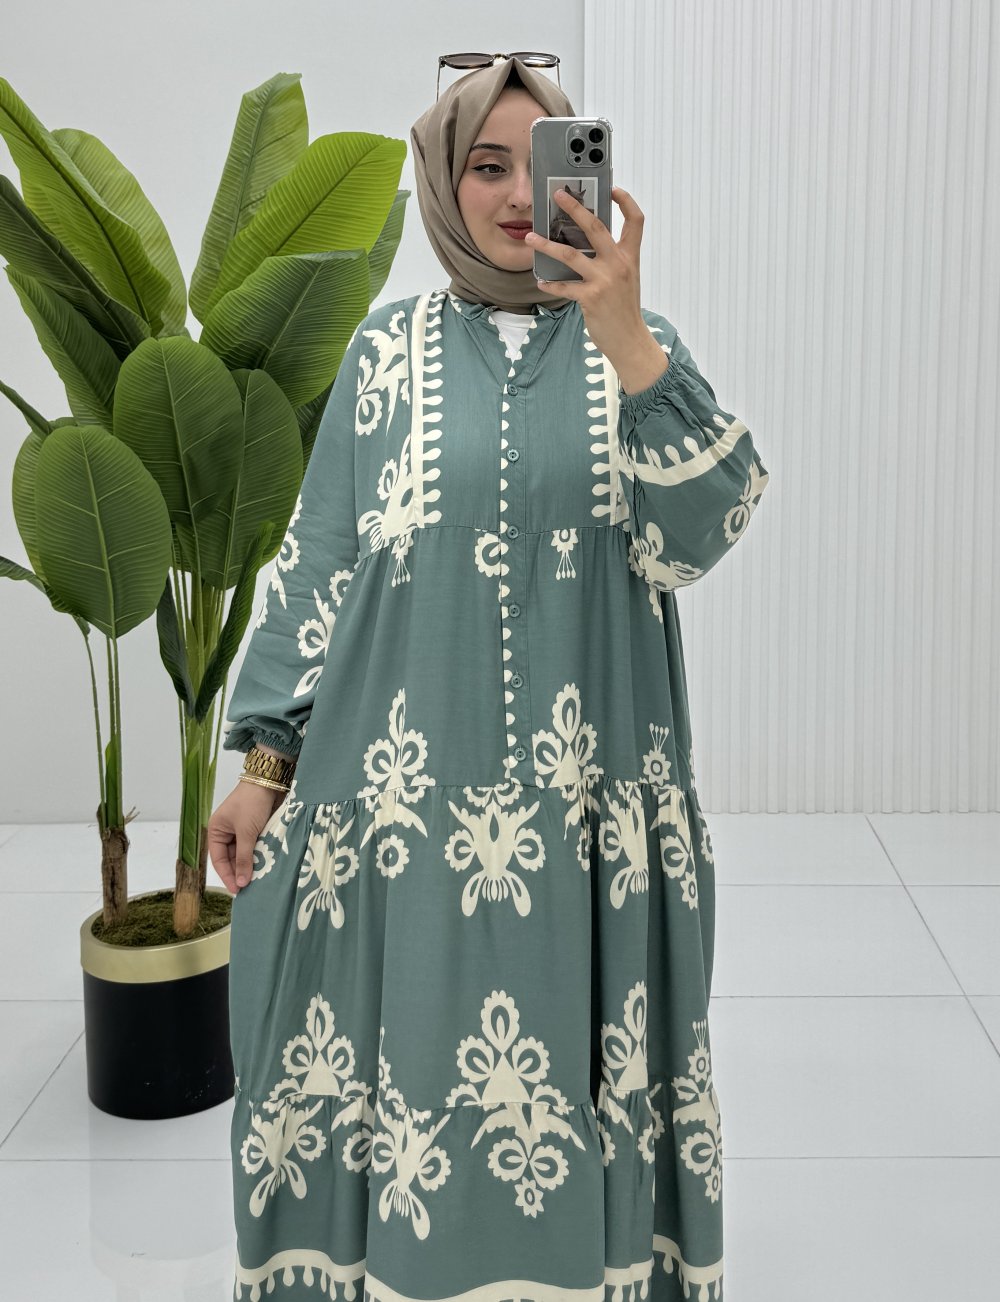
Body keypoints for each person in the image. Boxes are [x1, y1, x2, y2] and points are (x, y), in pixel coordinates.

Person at [208, 53, 769, 1302]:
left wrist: (629, 341)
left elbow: (705, 532)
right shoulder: (385, 352)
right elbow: (320, 564)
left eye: (544, 162)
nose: (520, 195)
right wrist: (262, 764)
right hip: (404, 818)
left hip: (590, 813)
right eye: (486, 164)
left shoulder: (639, 350)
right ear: (441, 181)